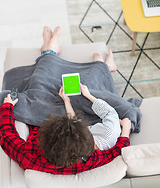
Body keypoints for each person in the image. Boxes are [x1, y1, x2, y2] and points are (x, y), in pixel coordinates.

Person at [0, 26, 131, 174]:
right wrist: (125, 129)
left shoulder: (32, 157)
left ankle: (49, 51)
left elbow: (7, 136)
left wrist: (7, 107)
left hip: (44, 104)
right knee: (90, 84)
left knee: (39, 80)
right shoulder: (91, 159)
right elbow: (117, 150)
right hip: (90, 109)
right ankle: (104, 67)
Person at [59, 84, 121, 151]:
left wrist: (66, 101)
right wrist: (88, 95)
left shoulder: (77, 144)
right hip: (110, 119)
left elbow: (74, 124)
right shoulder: (110, 131)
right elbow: (110, 112)